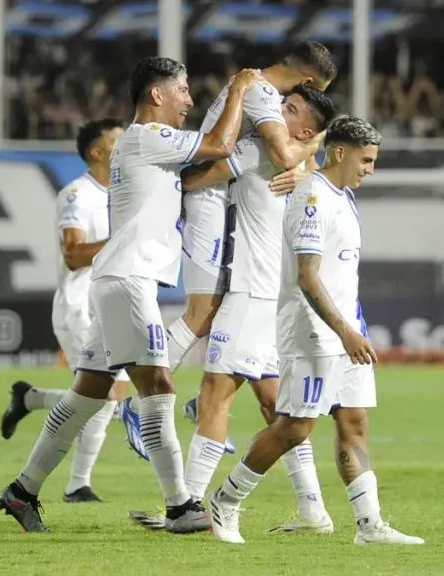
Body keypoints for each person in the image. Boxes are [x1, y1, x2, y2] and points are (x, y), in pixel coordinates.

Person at [0, 56, 260, 533]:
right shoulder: (148, 136)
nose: (189, 100)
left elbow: (206, 163)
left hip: (121, 279)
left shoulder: (148, 145)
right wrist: (239, 89)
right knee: (156, 387)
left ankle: (22, 490)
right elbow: (219, 145)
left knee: (87, 395)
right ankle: (180, 506)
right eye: (182, 90)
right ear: (157, 94)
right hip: (128, 280)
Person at [208, 115, 424, 546]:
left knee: (354, 421)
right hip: (314, 332)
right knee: (294, 427)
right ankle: (225, 500)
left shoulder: (343, 196)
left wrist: (353, 327)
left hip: (346, 332)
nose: (371, 169)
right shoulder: (312, 198)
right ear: (340, 153)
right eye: (366, 160)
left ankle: (369, 525)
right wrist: (344, 331)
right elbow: (307, 277)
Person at [121, 42, 341, 455]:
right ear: (310, 80)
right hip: (209, 202)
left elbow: (293, 158)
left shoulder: (261, 93)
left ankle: (206, 402)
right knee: (203, 312)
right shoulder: (259, 92)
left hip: (224, 203)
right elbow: (283, 152)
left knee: (226, 312)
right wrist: (315, 146)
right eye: (315, 91)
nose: (307, 100)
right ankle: (139, 401)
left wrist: (304, 167)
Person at [0, 118, 130, 503]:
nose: (125, 147)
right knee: (104, 394)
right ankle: (77, 485)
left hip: (111, 305)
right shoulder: (77, 194)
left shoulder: (122, 193)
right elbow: (73, 255)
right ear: (97, 152)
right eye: (117, 142)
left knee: (109, 396)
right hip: (79, 306)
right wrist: (124, 241)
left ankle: (31, 399)